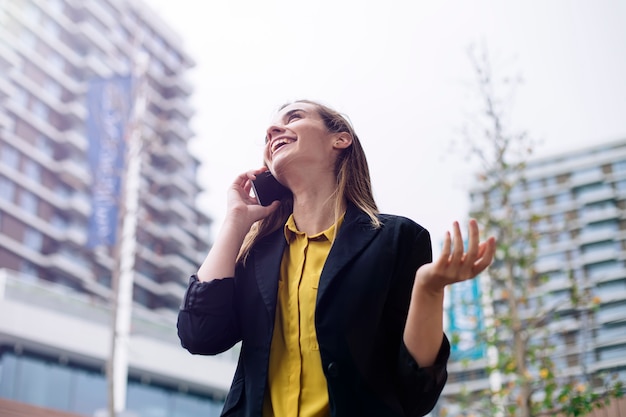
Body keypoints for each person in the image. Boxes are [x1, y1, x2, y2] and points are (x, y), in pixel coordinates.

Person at [177, 100, 496, 417]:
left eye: (294, 117)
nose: (273, 130)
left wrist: (428, 289)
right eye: (268, 134)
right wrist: (235, 220)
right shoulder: (257, 255)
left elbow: (415, 392)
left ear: (340, 139)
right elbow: (199, 335)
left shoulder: (397, 239)